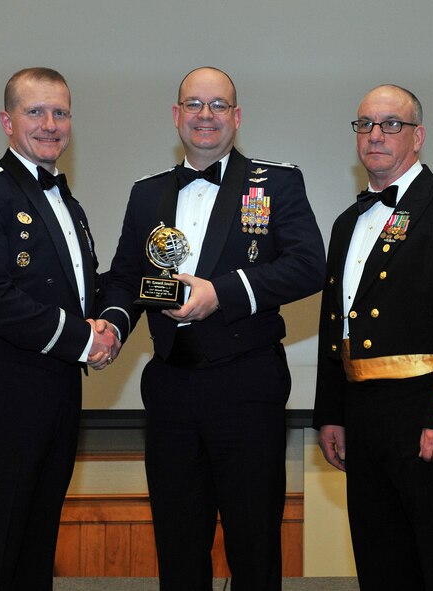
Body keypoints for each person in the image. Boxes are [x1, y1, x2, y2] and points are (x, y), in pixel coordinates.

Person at [97, 66, 325, 591]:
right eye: (194, 105)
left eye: (218, 105)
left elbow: (310, 265)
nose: (205, 115)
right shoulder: (146, 193)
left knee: (254, 541)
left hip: (247, 385)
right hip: (171, 387)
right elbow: (129, 278)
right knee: (177, 541)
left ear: (237, 117)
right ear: (176, 116)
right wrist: (111, 325)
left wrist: (219, 293)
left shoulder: (277, 181)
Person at [313, 84, 433, 591]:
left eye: (391, 124)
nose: (375, 135)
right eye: (365, 124)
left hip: (426, 414)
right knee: (380, 559)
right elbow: (338, 327)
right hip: (362, 415)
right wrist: (330, 413)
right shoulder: (345, 223)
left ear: (417, 137)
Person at [0, 67, 119, 591]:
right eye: (34, 111)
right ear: (7, 120)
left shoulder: (69, 203)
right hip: (0, 396)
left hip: (57, 394)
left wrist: (123, 310)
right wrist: (86, 340)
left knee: (34, 548)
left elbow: (82, 293)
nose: (50, 124)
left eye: (60, 112)